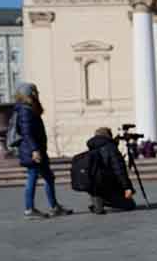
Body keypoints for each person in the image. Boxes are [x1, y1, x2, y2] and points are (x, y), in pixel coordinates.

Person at [13, 82, 72, 220]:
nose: (37, 93)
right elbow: (27, 133)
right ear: (29, 94)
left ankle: (54, 207)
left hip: (36, 149)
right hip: (32, 151)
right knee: (33, 176)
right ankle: (29, 209)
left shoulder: (28, 109)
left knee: (48, 177)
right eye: (35, 91)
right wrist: (34, 150)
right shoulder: (25, 110)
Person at [85, 127, 137, 214]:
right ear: (109, 136)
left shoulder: (91, 147)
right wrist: (127, 187)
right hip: (110, 184)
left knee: (99, 208)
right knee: (130, 205)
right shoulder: (111, 148)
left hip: (94, 187)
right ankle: (104, 200)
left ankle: (98, 202)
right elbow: (119, 170)